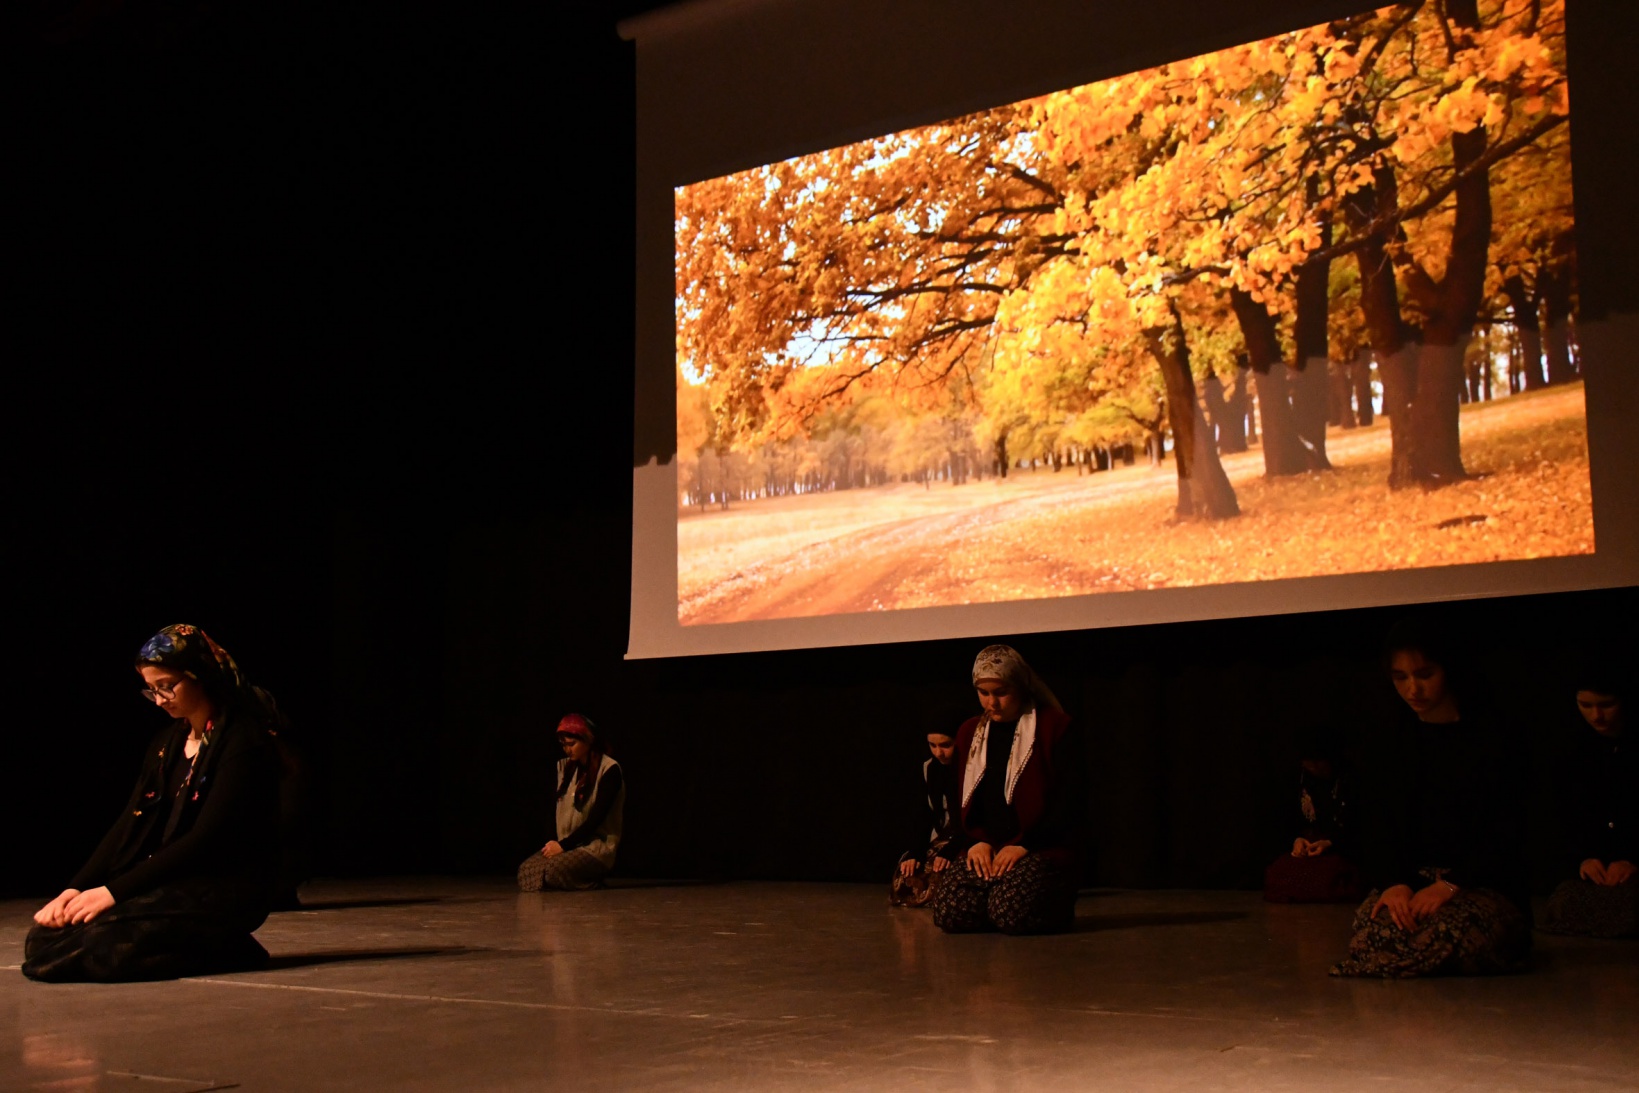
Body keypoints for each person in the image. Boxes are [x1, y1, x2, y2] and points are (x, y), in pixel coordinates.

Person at [24, 625, 283, 982]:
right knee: (45, 939)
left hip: (222, 887)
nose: (160, 699)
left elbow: (207, 838)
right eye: (152, 690)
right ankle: (201, 944)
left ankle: (229, 946)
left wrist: (114, 893)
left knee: (101, 944)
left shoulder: (242, 741)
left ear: (200, 675)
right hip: (173, 881)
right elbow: (128, 823)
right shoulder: (168, 743)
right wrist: (76, 888)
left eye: (167, 686)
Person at [1331, 620, 1530, 978]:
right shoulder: (1390, 740)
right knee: (1372, 930)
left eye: (1424, 674)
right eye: (1400, 677)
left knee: (1444, 935)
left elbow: (1507, 829)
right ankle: (1394, 961)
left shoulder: (1492, 738)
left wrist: (1451, 884)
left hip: (1480, 884)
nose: (1413, 689)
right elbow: (1376, 824)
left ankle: (1398, 963)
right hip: (1414, 879)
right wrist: (1395, 883)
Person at [932, 645, 1085, 935]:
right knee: (951, 912)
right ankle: (996, 897)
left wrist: (1025, 844)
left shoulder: (1054, 727)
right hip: (987, 844)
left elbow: (1070, 800)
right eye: (984, 693)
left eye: (1001, 693)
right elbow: (958, 794)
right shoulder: (970, 732)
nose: (992, 703)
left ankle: (1046, 899)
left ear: (1021, 687)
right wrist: (975, 840)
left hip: (1040, 845)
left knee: (1012, 914)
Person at [1540, 661, 1638, 938]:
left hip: (1631, 872)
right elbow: (1557, 819)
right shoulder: (1569, 748)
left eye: (1607, 705)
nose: (1597, 716)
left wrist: (1631, 860)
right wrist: (1582, 860)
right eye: (1586, 705)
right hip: (1592, 874)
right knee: (1565, 903)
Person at [517, 714, 625, 892]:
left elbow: (596, 819)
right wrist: (553, 842)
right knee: (525, 871)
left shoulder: (609, 770)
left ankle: (591, 881)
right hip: (564, 847)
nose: (567, 749)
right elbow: (552, 810)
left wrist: (564, 845)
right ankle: (563, 881)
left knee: (551, 872)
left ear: (588, 740)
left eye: (572, 744)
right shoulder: (564, 768)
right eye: (564, 745)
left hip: (594, 849)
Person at [1263, 727, 1364, 903]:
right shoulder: (1299, 778)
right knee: (1279, 874)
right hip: (1309, 843)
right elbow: (1287, 819)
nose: (1314, 768)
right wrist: (1297, 840)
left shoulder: (1350, 779)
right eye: (1309, 764)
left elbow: (1360, 824)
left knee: (1331, 877)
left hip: (1340, 846)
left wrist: (1331, 842)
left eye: (1318, 763)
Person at [890, 729, 960, 908]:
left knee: (943, 877)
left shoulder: (973, 766)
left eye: (945, 745)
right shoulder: (930, 768)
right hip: (941, 837)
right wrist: (916, 851)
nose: (938, 753)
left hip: (966, 838)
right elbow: (924, 814)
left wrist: (951, 851)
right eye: (933, 745)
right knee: (905, 878)